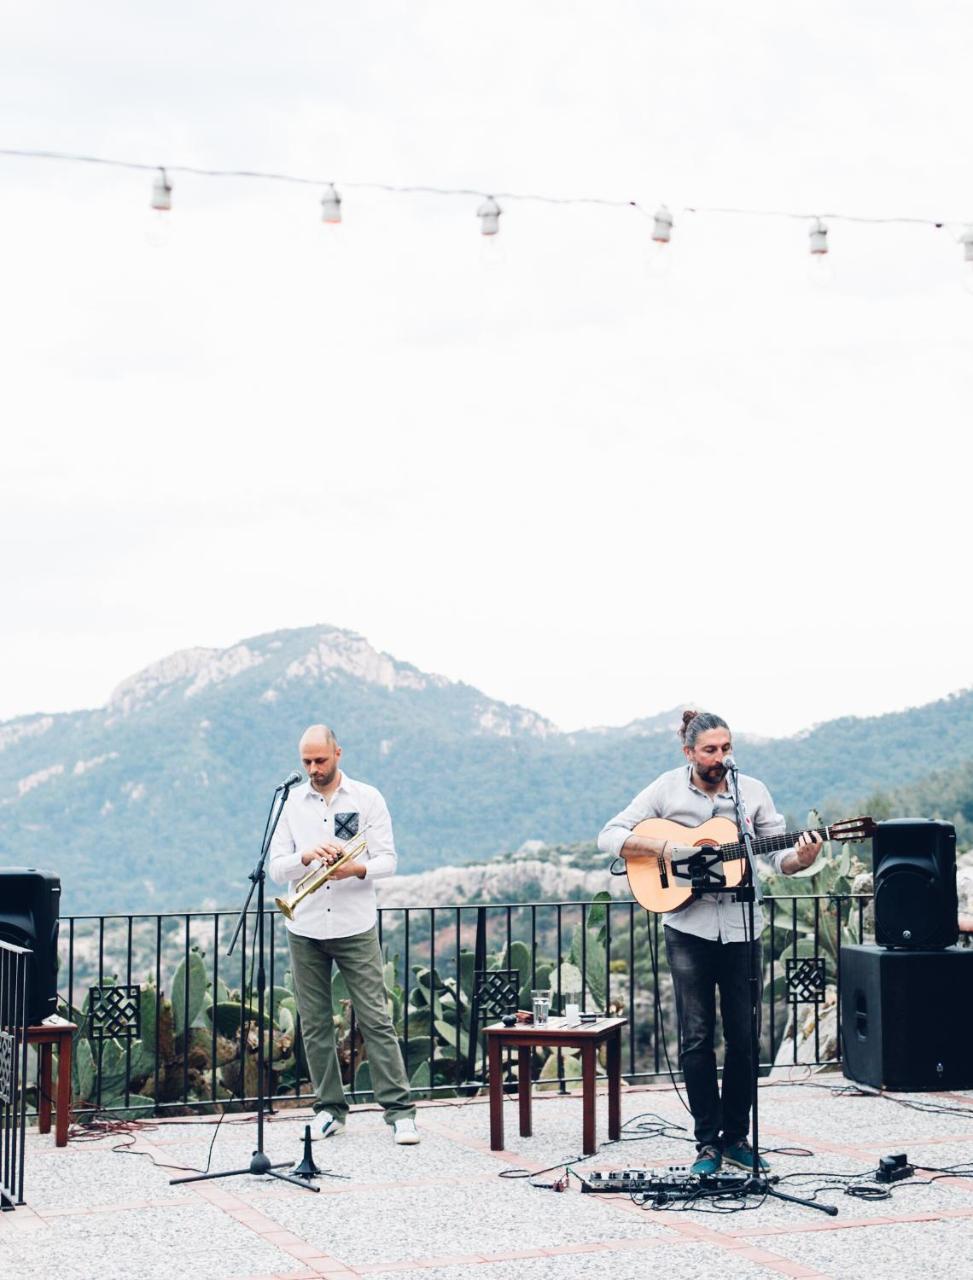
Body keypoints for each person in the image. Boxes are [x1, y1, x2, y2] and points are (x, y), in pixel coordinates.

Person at [597, 709, 822, 1175]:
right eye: (711, 750)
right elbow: (610, 836)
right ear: (689, 752)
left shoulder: (751, 792)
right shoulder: (666, 788)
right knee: (697, 1040)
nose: (721, 757)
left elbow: (779, 857)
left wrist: (802, 857)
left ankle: (737, 1137)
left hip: (743, 930)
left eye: (726, 748)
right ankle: (706, 1143)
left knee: (744, 1040)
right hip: (688, 928)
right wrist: (671, 851)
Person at [269, 724, 419, 1145]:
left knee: (375, 1017)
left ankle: (399, 1112)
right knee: (314, 1024)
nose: (313, 769)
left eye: (320, 760)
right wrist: (305, 856)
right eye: (306, 762)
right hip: (305, 925)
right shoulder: (292, 803)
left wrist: (357, 868)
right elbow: (276, 866)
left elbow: (389, 858)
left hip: (355, 924)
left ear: (338, 753)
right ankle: (329, 1109)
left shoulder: (367, 798)